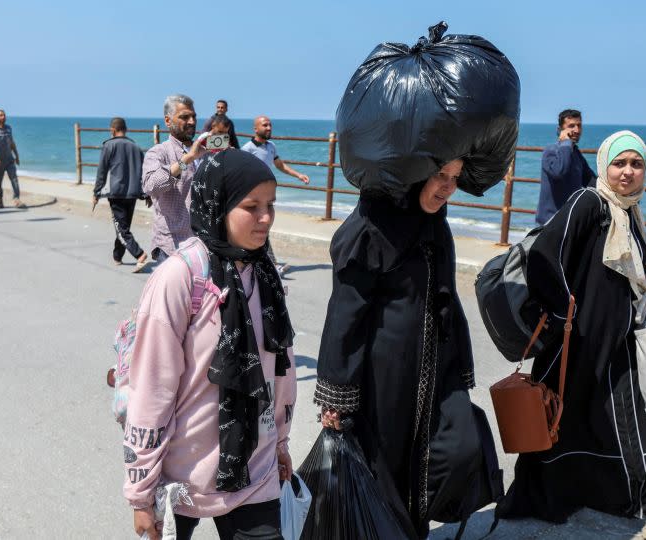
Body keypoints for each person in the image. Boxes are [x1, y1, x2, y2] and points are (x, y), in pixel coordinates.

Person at [497, 131, 646, 540]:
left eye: (636, 164)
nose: (628, 172)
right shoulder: (589, 203)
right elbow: (546, 256)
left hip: (615, 342)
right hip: (573, 344)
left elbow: (624, 269)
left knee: (632, 419)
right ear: (604, 166)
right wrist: (566, 315)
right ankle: (542, 498)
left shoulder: (629, 212)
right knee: (557, 422)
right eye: (620, 163)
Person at [316, 159, 499, 539]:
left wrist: (459, 362)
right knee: (388, 467)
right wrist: (336, 391)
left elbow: (446, 297)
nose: (448, 187)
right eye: (440, 176)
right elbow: (344, 314)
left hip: (434, 367)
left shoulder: (434, 224)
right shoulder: (370, 227)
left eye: (454, 179)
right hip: (382, 375)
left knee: (456, 449)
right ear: (414, 175)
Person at [125, 150, 297, 540]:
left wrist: (281, 441)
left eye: (271, 205)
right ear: (217, 205)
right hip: (181, 472)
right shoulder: (179, 278)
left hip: (256, 466)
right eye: (251, 206)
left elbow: (280, 371)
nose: (266, 218)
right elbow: (151, 389)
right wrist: (140, 495)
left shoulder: (265, 276)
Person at [142, 94, 208, 264]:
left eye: (194, 116)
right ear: (168, 121)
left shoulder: (203, 151)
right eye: (185, 117)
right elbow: (150, 186)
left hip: (203, 244)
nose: (192, 122)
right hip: (171, 246)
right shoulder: (159, 152)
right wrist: (187, 159)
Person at [241, 116, 310, 277]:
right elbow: (241, 172)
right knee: (261, 227)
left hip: (266, 196)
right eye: (265, 125)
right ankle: (270, 263)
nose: (269, 128)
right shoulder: (247, 149)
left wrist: (298, 175)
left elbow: (280, 165)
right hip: (253, 196)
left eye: (270, 125)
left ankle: (265, 262)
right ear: (256, 129)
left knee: (262, 228)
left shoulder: (271, 146)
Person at [93, 117, 149, 272]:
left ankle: (140, 254)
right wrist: (146, 194)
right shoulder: (136, 147)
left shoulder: (108, 145)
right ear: (126, 129)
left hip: (116, 193)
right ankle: (117, 256)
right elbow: (144, 173)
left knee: (121, 228)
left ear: (112, 130)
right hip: (132, 193)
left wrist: (96, 192)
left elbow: (102, 171)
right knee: (123, 226)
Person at [534, 109, 597, 225]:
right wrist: (566, 143)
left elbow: (592, 181)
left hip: (570, 220)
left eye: (579, 125)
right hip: (550, 222)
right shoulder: (550, 151)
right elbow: (559, 172)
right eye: (571, 126)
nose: (577, 130)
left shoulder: (576, 154)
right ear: (560, 130)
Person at [0, 109, 25, 209]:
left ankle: (16, 199)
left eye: (4, 115)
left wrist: (16, 156)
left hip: (10, 159)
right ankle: (0, 200)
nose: (3, 117)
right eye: (0, 115)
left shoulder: (9, 128)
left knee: (14, 179)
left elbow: (12, 143)